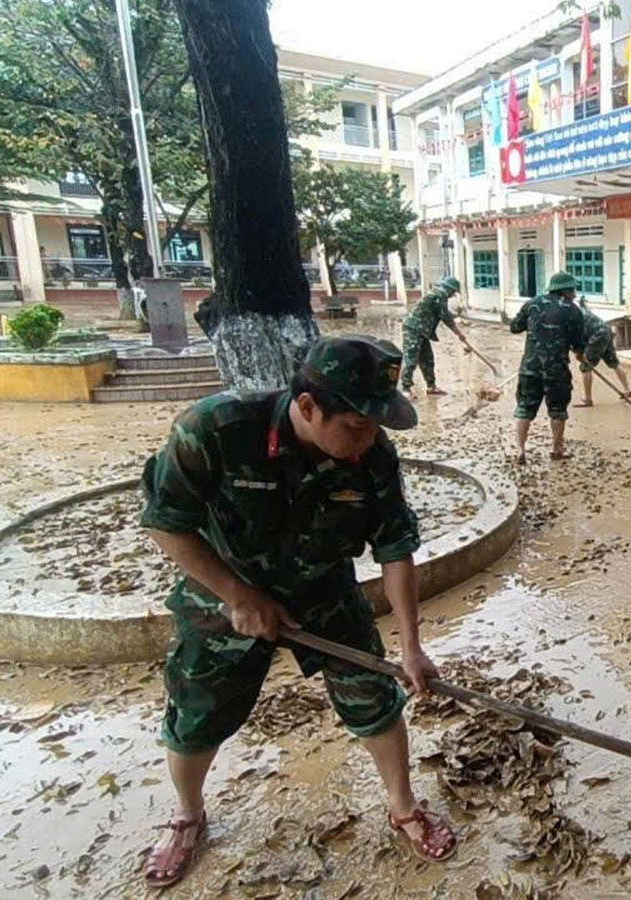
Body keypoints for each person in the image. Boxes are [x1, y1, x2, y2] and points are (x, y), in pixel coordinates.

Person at [138, 336, 456, 888]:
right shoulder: (214, 429)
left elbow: (394, 547)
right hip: (222, 596)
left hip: (326, 593)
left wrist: (411, 646)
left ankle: (403, 806)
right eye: (356, 426)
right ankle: (188, 815)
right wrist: (238, 596)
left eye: (374, 426)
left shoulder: (373, 453)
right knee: (195, 716)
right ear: (308, 406)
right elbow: (167, 523)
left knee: (375, 700)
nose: (368, 439)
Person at [511, 271, 587, 462]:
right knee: (558, 410)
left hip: (529, 368)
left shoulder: (532, 303)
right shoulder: (573, 310)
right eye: (572, 290)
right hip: (556, 370)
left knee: (524, 408)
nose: (574, 294)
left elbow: (514, 327)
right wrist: (580, 355)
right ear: (566, 290)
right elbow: (578, 344)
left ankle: (520, 450)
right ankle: (557, 449)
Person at [399, 277, 468, 397]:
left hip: (422, 330)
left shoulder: (437, 294)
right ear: (449, 289)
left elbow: (444, 313)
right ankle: (406, 388)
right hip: (413, 329)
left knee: (427, 359)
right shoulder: (439, 295)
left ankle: (431, 387)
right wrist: (459, 333)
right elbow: (445, 316)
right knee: (411, 358)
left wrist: (458, 331)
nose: (452, 295)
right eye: (453, 292)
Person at [574, 296, 631, 407]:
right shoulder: (580, 311)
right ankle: (627, 390)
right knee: (614, 362)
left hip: (597, 336)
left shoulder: (572, 317)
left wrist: (579, 352)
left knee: (585, 367)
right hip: (606, 331)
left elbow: (576, 337)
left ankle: (587, 399)